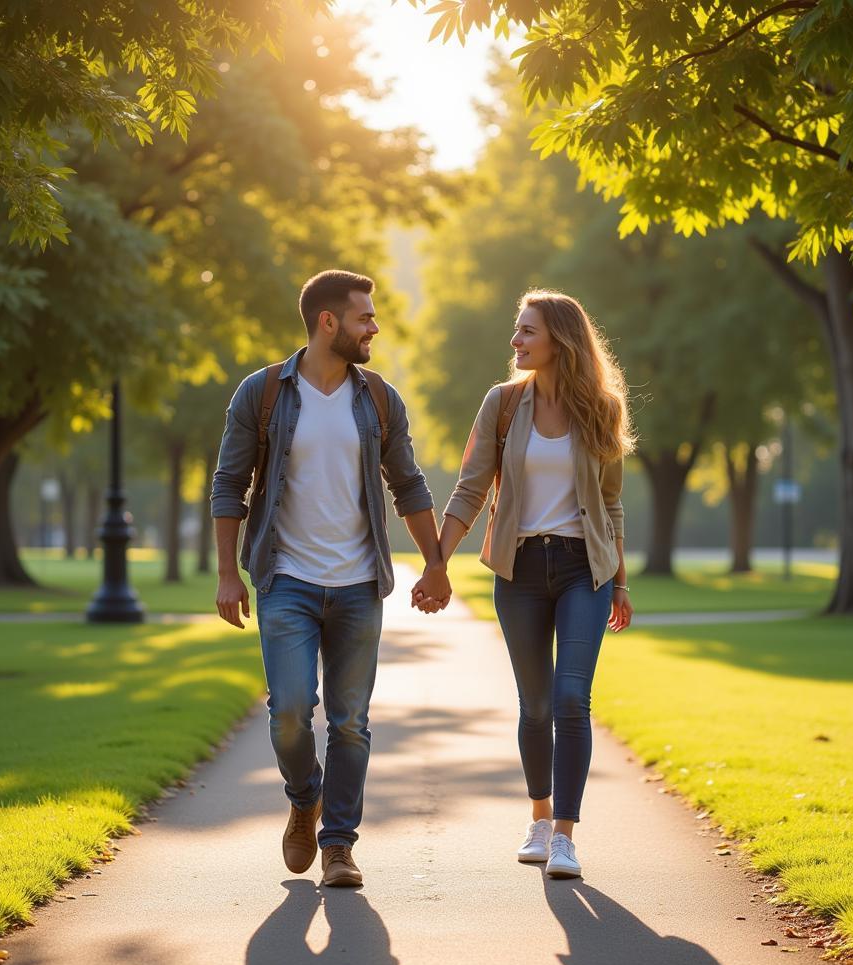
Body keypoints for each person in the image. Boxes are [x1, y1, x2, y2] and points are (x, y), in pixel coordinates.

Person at [211, 269, 450, 888]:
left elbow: (409, 484)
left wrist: (435, 562)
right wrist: (226, 575)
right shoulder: (262, 393)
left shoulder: (377, 397)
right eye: (365, 317)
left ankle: (339, 845)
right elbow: (228, 486)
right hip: (285, 577)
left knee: (350, 722)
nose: (374, 327)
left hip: (358, 583)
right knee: (289, 711)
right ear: (328, 322)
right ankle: (303, 796)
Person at [417, 289, 634, 879]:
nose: (515, 341)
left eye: (526, 331)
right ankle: (538, 818)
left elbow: (611, 506)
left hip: (581, 570)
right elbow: (469, 487)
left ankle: (565, 834)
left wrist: (620, 583)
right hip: (518, 570)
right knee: (535, 706)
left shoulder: (602, 409)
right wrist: (438, 562)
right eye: (517, 330)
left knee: (571, 698)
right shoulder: (503, 405)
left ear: (559, 339)